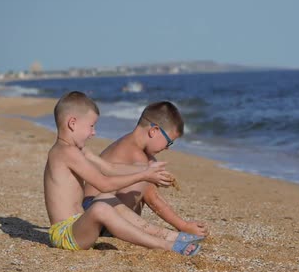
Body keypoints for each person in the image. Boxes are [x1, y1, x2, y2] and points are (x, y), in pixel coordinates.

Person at [44, 91, 202, 256]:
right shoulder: (66, 152)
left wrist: (146, 171)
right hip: (64, 236)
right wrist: (144, 175)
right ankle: (164, 245)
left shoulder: (75, 150)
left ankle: (173, 236)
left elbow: (110, 168)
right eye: (91, 126)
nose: (93, 132)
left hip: (78, 226)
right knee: (100, 208)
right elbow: (104, 184)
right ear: (72, 123)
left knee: (105, 199)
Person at [84, 101, 209, 237]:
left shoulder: (129, 144)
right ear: (154, 131)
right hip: (94, 212)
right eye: (169, 142)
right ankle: (114, 230)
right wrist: (184, 226)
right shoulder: (137, 156)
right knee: (144, 174)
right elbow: (153, 199)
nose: (167, 147)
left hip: (93, 208)